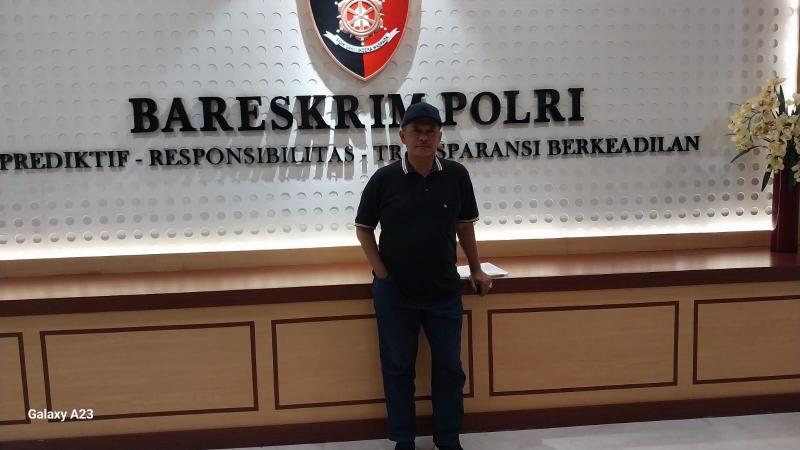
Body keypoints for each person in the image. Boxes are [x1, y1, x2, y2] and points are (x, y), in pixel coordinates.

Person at [355, 102, 493, 450]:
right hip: (395, 293)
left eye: (431, 131)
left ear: (440, 137)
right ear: (402, 136)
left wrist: (476, 268)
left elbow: (464, 225)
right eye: (416, 131)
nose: (423, 137)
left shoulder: (456, 175)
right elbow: (363, 228)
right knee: (398, 368)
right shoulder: (384, 179)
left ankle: (448, 438)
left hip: (443, 291)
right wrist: (382, 273)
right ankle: (404, 440)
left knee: (449, 368)